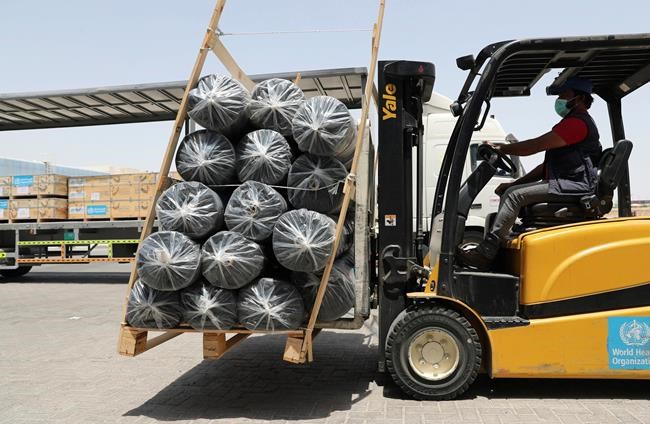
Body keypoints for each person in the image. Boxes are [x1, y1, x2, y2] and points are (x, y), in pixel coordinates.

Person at [458, 77, 602, 270]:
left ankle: (486, 253)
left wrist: (502, 148)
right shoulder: (572, 123)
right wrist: (513, 183)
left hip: (575, 185)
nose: (559, 100)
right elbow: (545, 167)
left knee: (514, 197)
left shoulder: (577, 124)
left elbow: (534, 146)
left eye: (564, 95)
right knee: (513, 192)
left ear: (579, 98)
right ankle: (496, 248)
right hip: (568, 182)